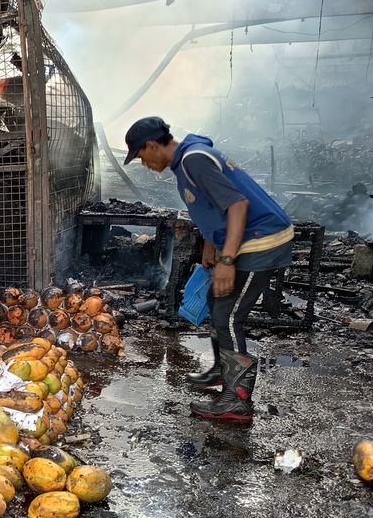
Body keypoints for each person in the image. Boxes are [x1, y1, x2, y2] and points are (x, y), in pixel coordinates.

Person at [123, 116, 294, 423]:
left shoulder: (194, 160)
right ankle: (221, 371)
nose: (142, 162)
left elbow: (237, 205)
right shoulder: (187, 162)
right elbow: (211, 207)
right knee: (217, 303)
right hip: (241, 241)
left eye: (140, 156)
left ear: (152, 145)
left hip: (259, 241)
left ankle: (237, 401)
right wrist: (210, 249)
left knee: (228, 315)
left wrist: (227, 261)